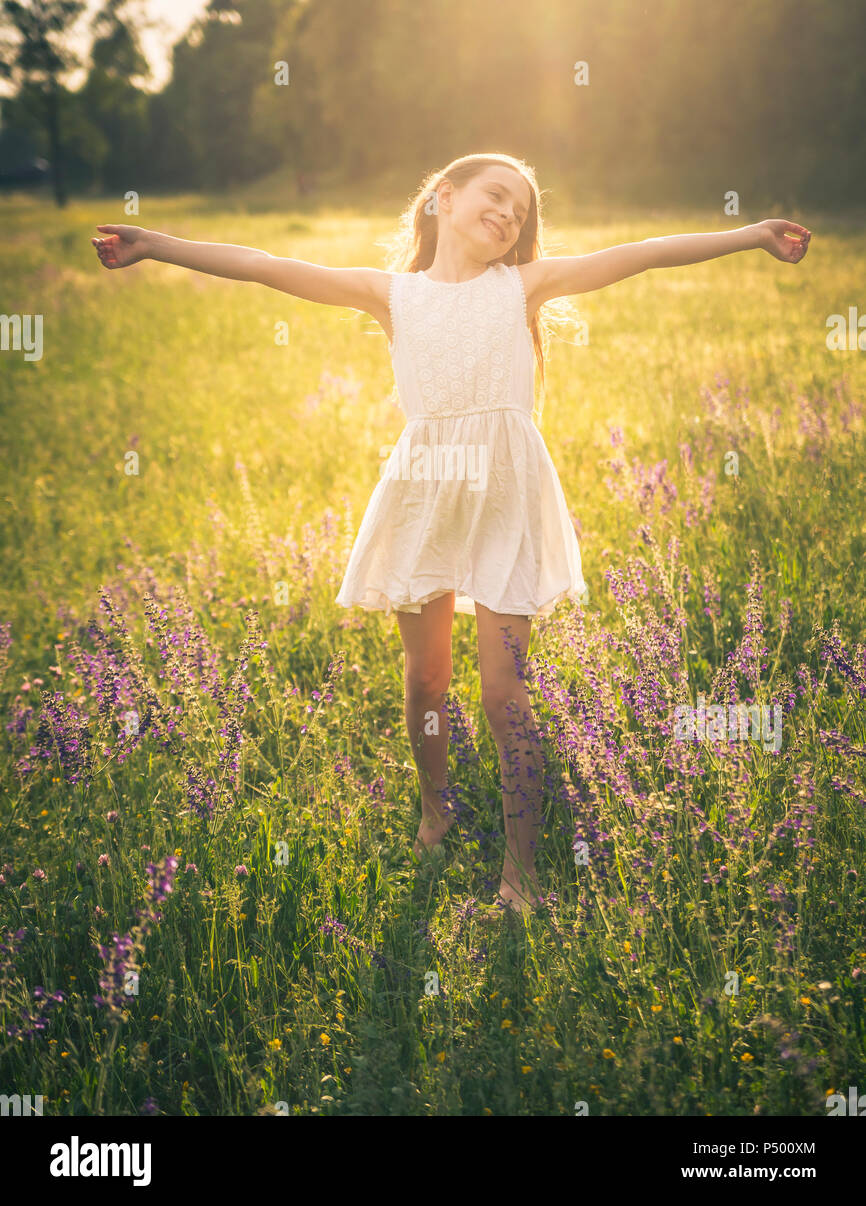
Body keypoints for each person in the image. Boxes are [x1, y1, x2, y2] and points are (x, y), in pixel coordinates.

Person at [91, 151, 810, 914]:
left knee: (505, 693)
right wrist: (155, 244)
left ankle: (522, 872)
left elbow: (640, 255)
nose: (508, 215)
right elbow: (264, 264)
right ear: (443, 198)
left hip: (507, 497)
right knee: (428, 675)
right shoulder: (391, 294)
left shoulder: (522, 286)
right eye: (495, 196)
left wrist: (751, 234)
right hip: (424, 496)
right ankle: (436, 810)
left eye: (521, 212)